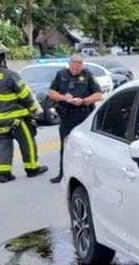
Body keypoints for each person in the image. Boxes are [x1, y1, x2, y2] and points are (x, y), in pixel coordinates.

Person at [0, 42, 48, 183]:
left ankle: (4, 174)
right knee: (27, 142)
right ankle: (32, 169)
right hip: (16, 119)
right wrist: (36, 110)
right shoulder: (11, 75)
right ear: (4, 57)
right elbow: (25, 95)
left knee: (4, 145)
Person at [47, 54, 102, 183]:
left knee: (87, 147)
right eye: (73, 68)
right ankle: (63, 173)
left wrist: (83, 101)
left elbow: (98, 95)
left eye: (78, 68)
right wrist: (63, 98)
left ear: (82, 65)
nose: (76, 71)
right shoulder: (61, 74)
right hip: (67, 115)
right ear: (69, 64)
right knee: (65, 146)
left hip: (84, 115)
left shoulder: (88, 75)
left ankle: (89, 175)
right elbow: (51, 93)